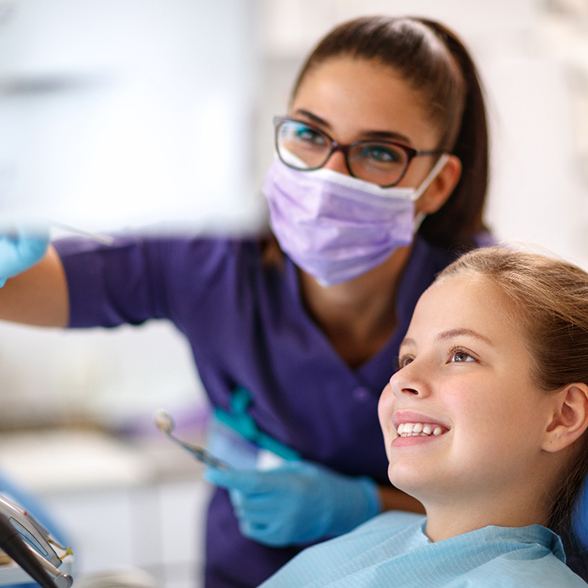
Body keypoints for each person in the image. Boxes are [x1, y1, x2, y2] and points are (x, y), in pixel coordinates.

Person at [0, 16, 491, 588]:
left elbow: (525, 508)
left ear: (435, 183)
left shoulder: (486, 303)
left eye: (378, 152)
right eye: (309, 134)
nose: (329, 176)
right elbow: (22, 286)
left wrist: (369, 506)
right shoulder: (211, 260)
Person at [258, 246, 588, 587]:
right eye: (407, 358)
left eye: (461, 355)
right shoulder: (380, 532)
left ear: (562, 416)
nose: (402, 379)